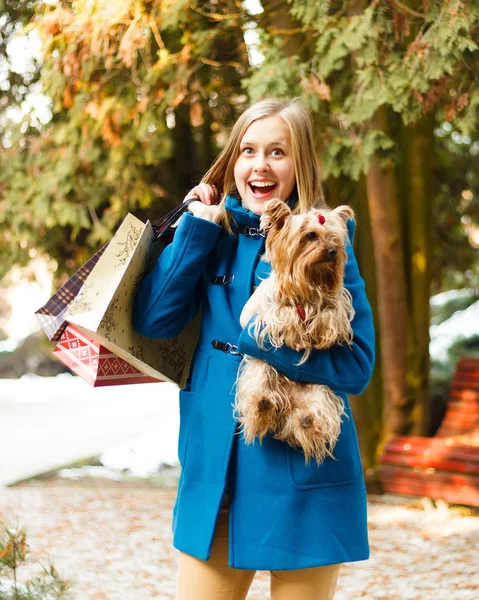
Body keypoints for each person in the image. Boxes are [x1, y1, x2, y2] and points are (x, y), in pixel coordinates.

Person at [133, 98, 375, 600]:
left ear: (299, 164)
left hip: (304, 476)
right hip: (214, 475)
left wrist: (255, 341)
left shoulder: (327, 241)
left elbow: (357, 366)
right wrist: (196, 228)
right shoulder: (209, 233)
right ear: (233, 161)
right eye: (248, 150)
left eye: (277, 152)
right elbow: (154, 322)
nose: (260, 165)